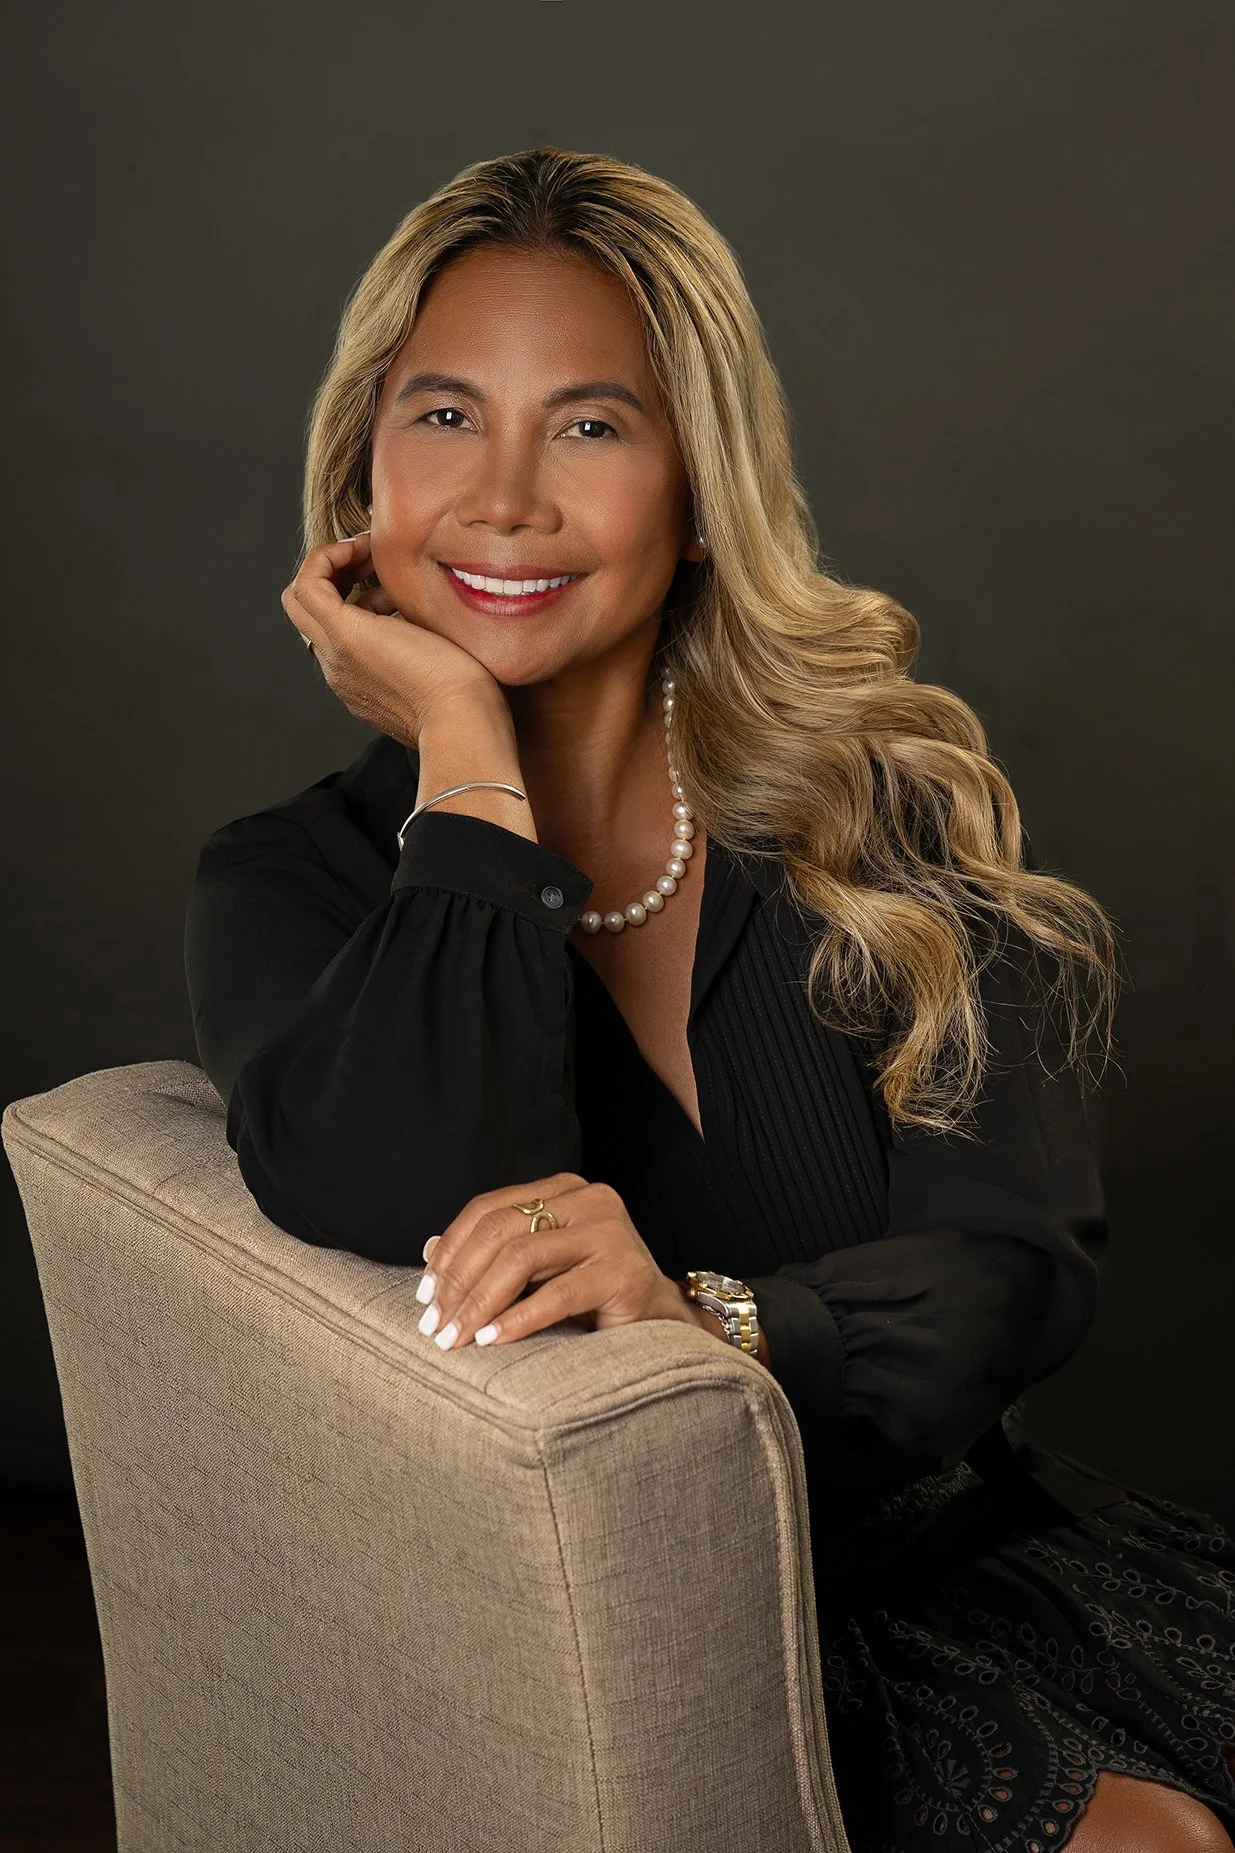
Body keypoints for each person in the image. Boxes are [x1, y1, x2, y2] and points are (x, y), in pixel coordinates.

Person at [183, 146, 1235, 1850]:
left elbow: (1010, 1264)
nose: (504, 500)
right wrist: (466, 755)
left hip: (977, 1563)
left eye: (591, 427)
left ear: (698, 492)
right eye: (443, 417)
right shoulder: (287, 884)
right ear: (363, 467)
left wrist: (706, 1317)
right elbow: (385, 1186)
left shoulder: (888, 816)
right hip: (625, 1644)